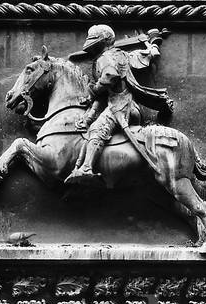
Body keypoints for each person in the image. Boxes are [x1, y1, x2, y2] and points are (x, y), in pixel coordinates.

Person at [65, 25, 173, 188]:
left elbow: (110, 76)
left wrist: (94, 90)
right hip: (132, 108)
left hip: (120, 107)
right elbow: (150, 55)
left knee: (97, 130)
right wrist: (153, 44)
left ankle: (87, 169)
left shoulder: (104, 58)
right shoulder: (124, 55)